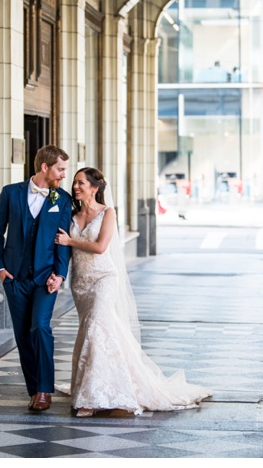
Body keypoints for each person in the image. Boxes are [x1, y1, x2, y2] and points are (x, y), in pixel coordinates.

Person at [53, 167, 212, 417]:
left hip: (104, 278)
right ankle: (105, 384)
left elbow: (101, 247)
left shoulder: (108, 213)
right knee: (93, 332)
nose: (75, 186)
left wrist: (70, 241)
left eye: (81, 183)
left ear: (94, 188)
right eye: (74, 182)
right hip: (80, 283)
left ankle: (92, 397)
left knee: (96, 327)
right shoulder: (70, 215)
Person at [0, 145, 73, 411]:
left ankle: (45, 390)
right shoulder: (10, 193)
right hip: (15, 278)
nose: (63, 175)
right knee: (23, 335)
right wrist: (1, 269)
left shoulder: (63, 199)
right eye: (60, 169)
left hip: (45, 279)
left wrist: (60, 274)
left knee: (39, 327)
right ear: (45, 167)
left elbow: (63, 241)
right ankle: (34, 389)